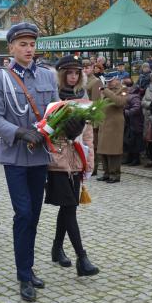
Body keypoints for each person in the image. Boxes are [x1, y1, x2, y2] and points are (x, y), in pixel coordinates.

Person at [0, 22, 59, 303]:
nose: (29, 49)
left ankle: (27, 266)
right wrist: (18, 132)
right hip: (15, 156)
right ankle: (23, 275)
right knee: (24, 214)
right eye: (23, 45)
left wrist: (66, 125)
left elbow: (54, 111)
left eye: (32, 44)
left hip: (39, 155)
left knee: (35, 216)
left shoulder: (47, 77)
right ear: (11, 48)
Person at [47, 55, 99, 276]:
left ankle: (57, 248)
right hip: (56, 160)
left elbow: (88, 134)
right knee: (69, 208)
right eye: (68, 72)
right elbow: (47, 130)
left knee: (68, 207)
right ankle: (82, 257)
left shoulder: (83, 97)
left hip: (77, 158)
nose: (73, 76)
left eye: (76, 73)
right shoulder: (53, 96)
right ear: (61, 74)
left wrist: (90, 161)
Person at [96, 72, 129, 183]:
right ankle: (106, 173)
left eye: (111, 81)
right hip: (104, 123)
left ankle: (115, 174)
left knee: (113, 150)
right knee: (103, 150)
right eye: (107, 81)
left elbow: (120, 102)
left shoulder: (123, 90)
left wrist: (106, 91)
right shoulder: (106, 91)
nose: (109, 83)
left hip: (115, 124)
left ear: (117, 79)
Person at [84, 60, 103, 175]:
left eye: (88, 67)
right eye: (83, 67)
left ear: (92, 68)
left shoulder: (95, 82)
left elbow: (96, 103)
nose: (85, 69)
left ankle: (93, 167)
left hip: (90, 117)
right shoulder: (82, 81)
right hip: (82, 115)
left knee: (93, 144)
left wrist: (94, 120)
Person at [122, 77, 143, 166]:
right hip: (129, 122)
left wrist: (125, 112)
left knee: (135, 141)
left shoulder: (133, 95)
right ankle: (130, 158)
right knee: (129, 140)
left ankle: (136, 159)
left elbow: (137, 108)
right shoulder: (126, 93)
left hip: (135, 122)